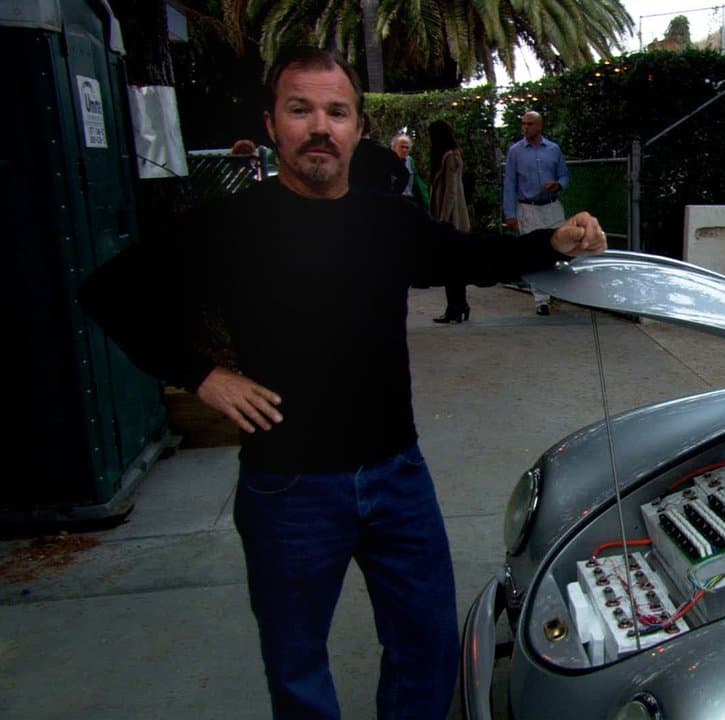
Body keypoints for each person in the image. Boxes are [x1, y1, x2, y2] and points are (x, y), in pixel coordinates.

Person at [78, 46, 607, 720]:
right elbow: (111, 292)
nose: (320, 128)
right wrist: (203, 378)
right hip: (288, 487)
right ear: (273, 124)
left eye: (336, 112)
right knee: (297, 667)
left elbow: (467, 255)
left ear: (358, 127)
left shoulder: (385, 220)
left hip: (396, 477)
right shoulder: (233, 225)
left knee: (427, 648)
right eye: (300, 110)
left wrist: (551, 243)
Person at [503, 110, 570, 316]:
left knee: (560, 247)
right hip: (528, 207)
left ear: (539, 126)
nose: (526, 128)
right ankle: (541, 300)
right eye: (523, 124)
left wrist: (558, 185)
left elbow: (564, 175)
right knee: (533, 252)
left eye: (530, 124)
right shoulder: (516, 151)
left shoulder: (553, 149)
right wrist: (510, 214)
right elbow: (510, 183)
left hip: (551, 205)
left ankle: (558, 289)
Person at [427, 119, 472, 323]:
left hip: (452, 218)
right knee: (454, 265)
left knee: (452, 265)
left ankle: (456, 307)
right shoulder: (449, 155)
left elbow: (451, 191)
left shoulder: (450, 157)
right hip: (451, 217)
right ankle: (458, 306)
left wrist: (443, 219)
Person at [348, 112, 409, 195]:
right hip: (380, 200)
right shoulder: (385, 153)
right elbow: (404, 174)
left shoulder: (346, 153)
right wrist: (393, 195)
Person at [391, 133, 424, 205]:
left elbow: (416, 182)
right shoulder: (388, 161)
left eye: (407, 147)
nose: (404, 150)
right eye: (402, 147)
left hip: (409, 199)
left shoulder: (410, 161)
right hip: (393, 199)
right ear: (394, 147)